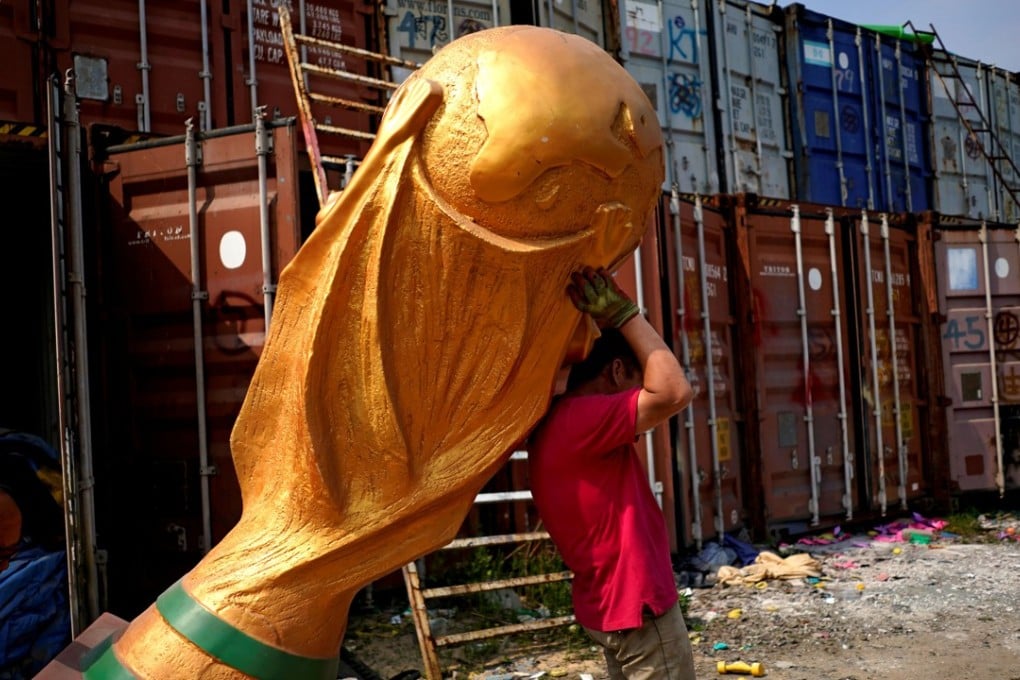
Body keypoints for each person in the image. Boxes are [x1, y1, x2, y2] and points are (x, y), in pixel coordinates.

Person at [528, 266, 697, 679]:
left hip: (610, 607)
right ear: (618, 371)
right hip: (637, 606)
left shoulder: (559, 424)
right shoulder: (584, 420)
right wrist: (624, 315)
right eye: (637, 383)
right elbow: (674, 391)